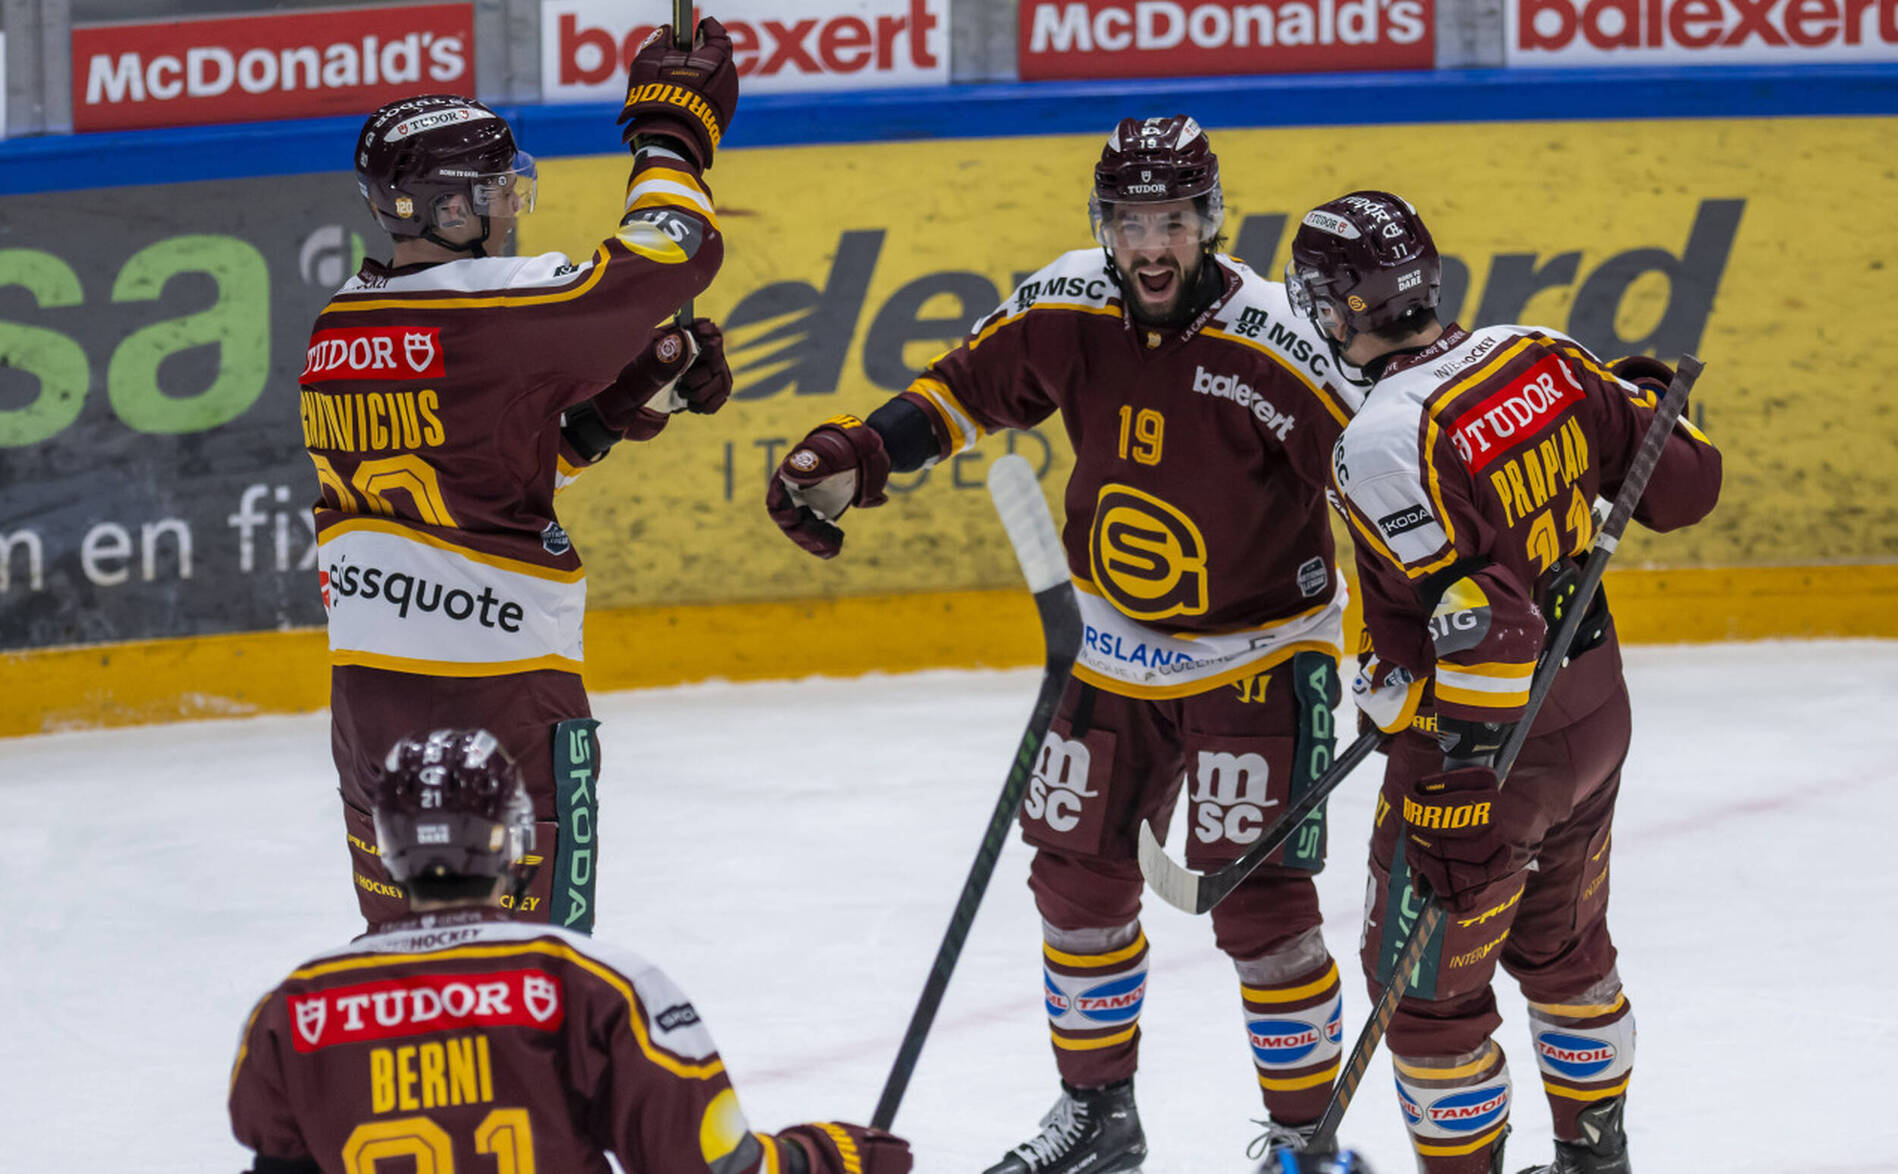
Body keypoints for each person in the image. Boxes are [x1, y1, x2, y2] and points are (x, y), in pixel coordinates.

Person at [766, 115, 1363, 1174]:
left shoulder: (1278, 339)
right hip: (1111, 646)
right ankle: (1098, 1116)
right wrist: (858, 453)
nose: (1150, 245)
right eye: (1129, 220)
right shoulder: (1066, 299)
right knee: (1075, 880)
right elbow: (961, 388)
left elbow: (1383, 478)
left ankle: (1300, 1141)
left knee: (1258, 899)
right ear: (1102, 225)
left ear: (1209, 221)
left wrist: (1443, 615)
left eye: (1172, 219)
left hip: (1263, 651)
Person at [1286, 192, 1722, 1174]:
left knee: (1429, 1006)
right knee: (1566, 954)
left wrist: (1454, 782)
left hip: (1487, 751)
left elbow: (1490, 624)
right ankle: (1593, 1161)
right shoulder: (1537, 350)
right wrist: (1645, 406)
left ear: (1344, 309)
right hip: (1592, 711)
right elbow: (1684, 490)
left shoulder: (1384, 437)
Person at [304, 19, 739, 932]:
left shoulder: (337, 328)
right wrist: (670, 129)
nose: (513, 210)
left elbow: (492, 473)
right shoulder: (495, 309)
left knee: (406, 957)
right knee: (536, 961)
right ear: (453, 211)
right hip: (503, 693)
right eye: (499, 193)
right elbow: (673, 251)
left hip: (371, 705)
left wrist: (621, 405)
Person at [230, 728, 913, 1174]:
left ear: (389, 847)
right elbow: (711, 1168)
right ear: (515, 839)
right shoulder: (595, 985)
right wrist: (826, 1157)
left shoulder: (296, 1007)